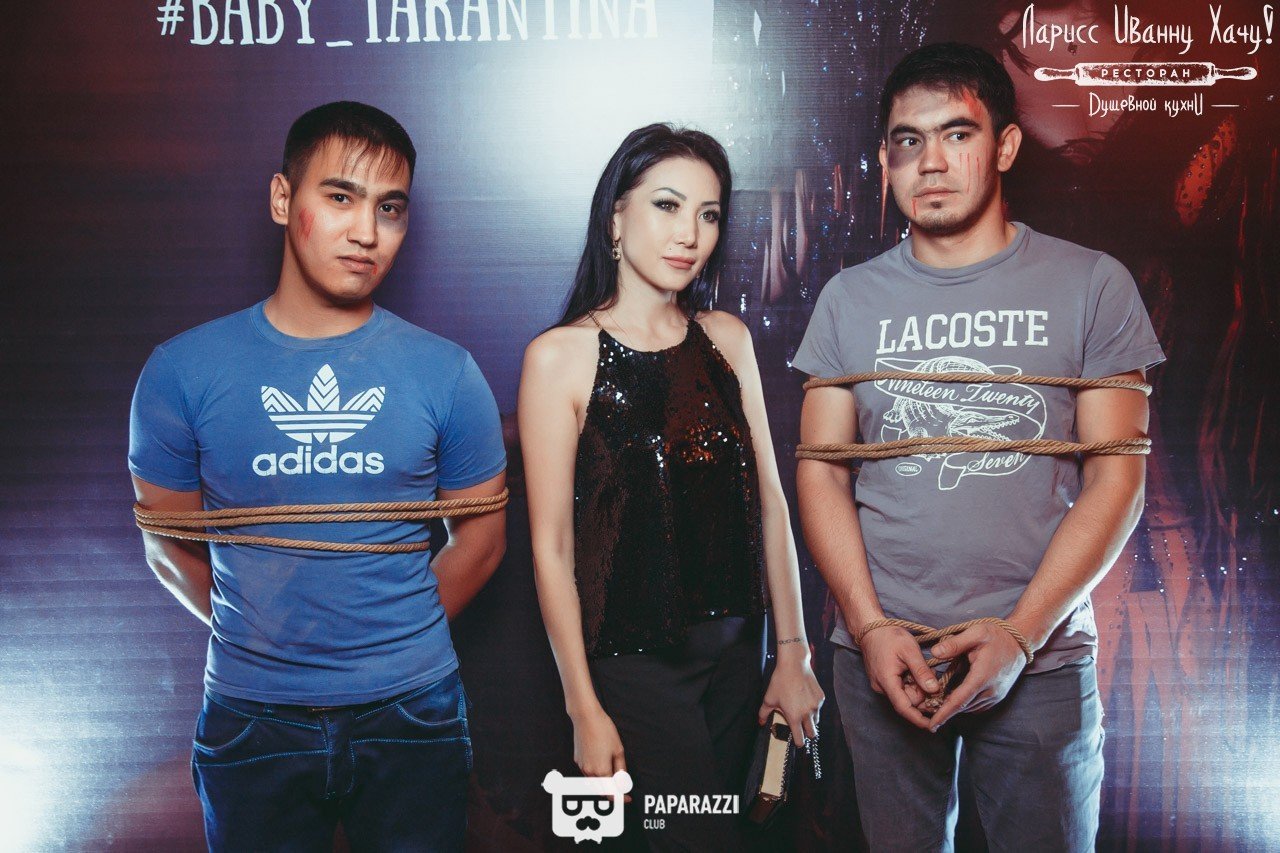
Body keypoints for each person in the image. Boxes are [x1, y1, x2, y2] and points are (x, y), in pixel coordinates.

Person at [793, 43, 1165, 852]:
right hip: (885, 653)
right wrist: (869, 627)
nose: (930, 162)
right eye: (908, 140)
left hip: (1041, 655)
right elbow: (820, 478)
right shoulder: (848, 298)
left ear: (1005, 145)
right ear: (885, 160)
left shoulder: (1091, 283)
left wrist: (1021, 635)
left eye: (956, 134)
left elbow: (1117, 482)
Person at [128, 101, 507, 851]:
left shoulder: (448, 373)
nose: (367, 231)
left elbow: (483, 541)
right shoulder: (181, 371)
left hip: (412, 712)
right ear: (283, 198)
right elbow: (167, 544)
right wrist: (267, 638)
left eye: (389, 208)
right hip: (251, 715)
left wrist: (386, 639)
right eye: (340, 197)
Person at [518, 123, 824, 850]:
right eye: (666, 205)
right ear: (615, 217)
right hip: (636, 668)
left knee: (750, 833)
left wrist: (793, 651)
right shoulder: (560, 357)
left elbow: (771, 504)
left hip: (740, 657)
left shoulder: (727, 339)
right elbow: (551, 548)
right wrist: (582, 706)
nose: (690, 233)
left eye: (708, 214)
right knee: (694, 839)